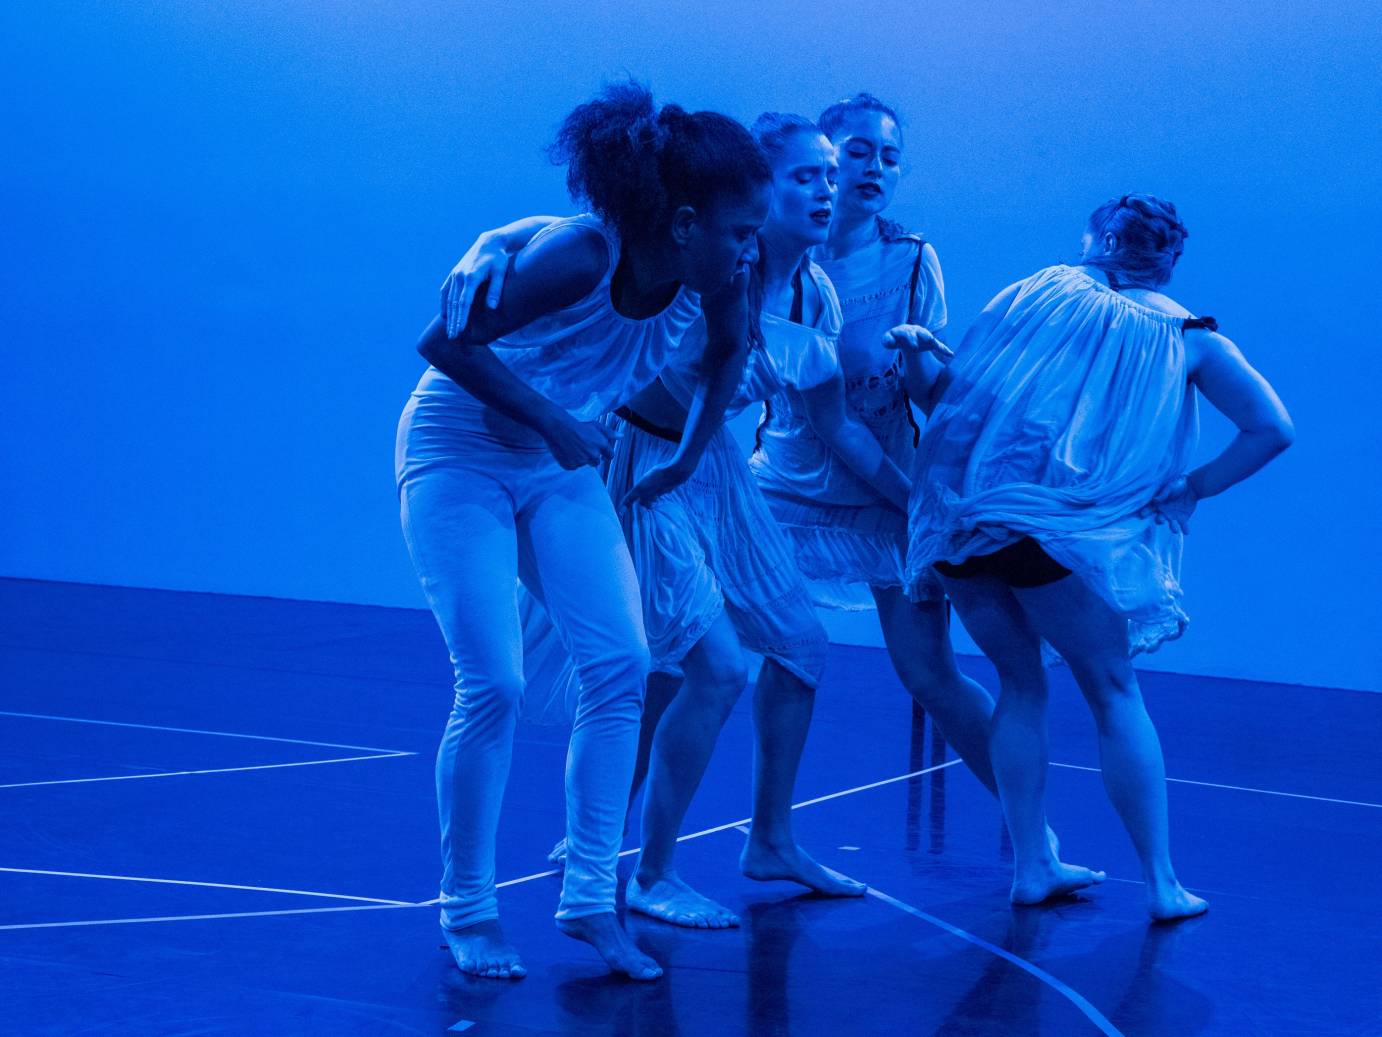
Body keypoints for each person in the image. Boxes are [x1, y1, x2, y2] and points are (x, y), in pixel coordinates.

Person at [446, 113, 923, 929]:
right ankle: (644, 866)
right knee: (701, 664)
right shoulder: (693, 258)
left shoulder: (811, 290)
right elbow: (585, 246)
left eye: (831, 175)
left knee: (797, 643)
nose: (828, 188)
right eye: (805, 175)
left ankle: (767, 838)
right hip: (636, 457)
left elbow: (836, 422)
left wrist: (919, 504)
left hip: (710, 470)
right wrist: (489, 241)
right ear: (749, 195)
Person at [397, 82, 769, 980]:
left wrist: (684, 457)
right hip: (458, 452)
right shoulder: (580, 258)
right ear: (682, 222)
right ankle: (469, 908)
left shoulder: (715, 279)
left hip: (553, 462)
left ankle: (590, 901)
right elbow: (443, 343)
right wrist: (557, 421)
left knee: (622, 667)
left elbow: (730, 356)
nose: (752, 247)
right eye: (740, 230)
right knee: (493, 681)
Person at [905, 194, 1294, 920]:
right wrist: (1191, 487)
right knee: (1114, 692)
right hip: (1057, 533)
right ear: (1168, 259)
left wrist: (918, 360)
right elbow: (1273, 428)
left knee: (1019, 686)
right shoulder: (1189, 335)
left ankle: (1031, 866)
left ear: (1095, 240)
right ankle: (1162, 883)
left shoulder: (1034, 292)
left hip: (961, 524)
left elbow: (949, 398)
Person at [749, 94, 1006, 813]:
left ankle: (1035, 839)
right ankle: (761, 835)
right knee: (751, 660)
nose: (871, 169)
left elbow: (927, 391)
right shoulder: (769, 254)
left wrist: (929, 368)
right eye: (856, 152)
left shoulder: (913, 259)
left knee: (932, 673)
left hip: (889, 485)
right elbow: (825, 419)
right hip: (794, 488)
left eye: (889, 157)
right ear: (822, 162)